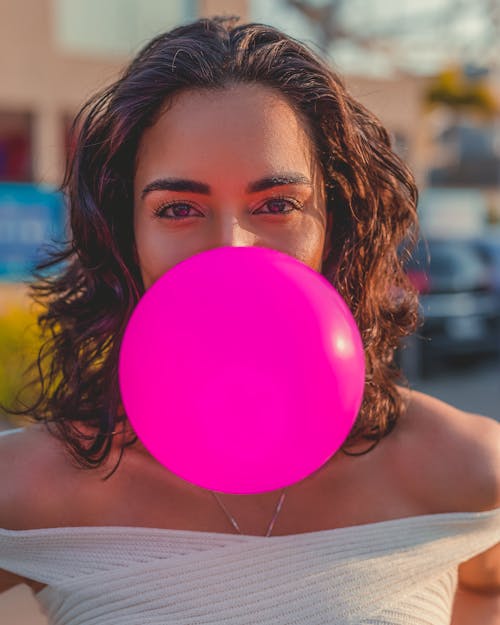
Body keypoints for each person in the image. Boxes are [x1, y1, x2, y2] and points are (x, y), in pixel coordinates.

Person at [0, 15, 499, 625]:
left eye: (278, 205)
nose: (232, 250)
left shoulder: (463, 466)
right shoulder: (29, 490)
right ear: (124, 235)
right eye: (179, 207)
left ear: (333, 225)